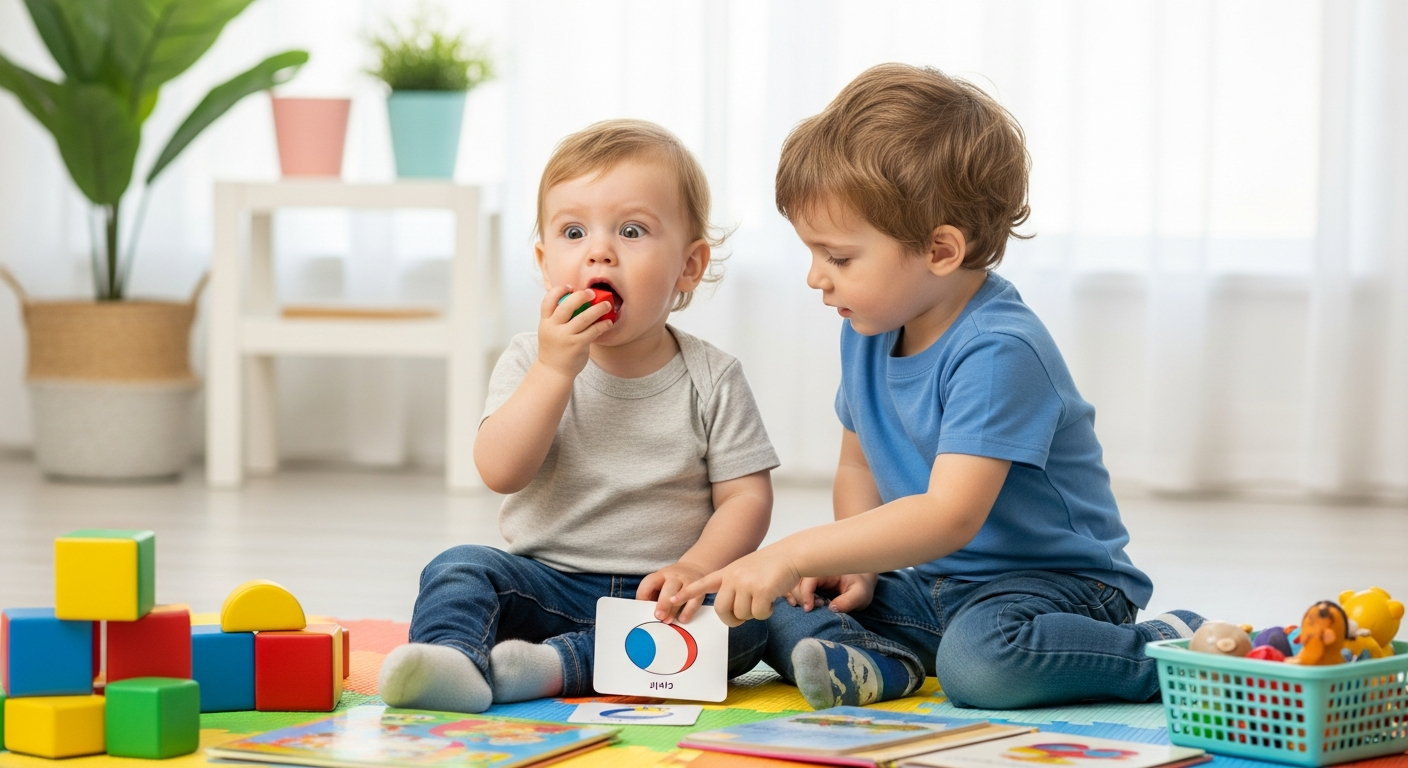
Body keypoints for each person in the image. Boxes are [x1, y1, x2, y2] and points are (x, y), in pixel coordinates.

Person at [673, 64, 1204, 711]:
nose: (817, 278)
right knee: (783, 605)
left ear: (941, 250)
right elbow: (857, 459)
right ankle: (881, 665)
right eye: (812, 253)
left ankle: (1170, 650)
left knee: (981, 666)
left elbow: (949, 515)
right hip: (941, 583)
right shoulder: (868, 325)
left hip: (1059, 586)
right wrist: (857, 563)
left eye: (838, 257)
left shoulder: (999, 348)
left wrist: (790, 550)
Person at [380, 119, 779, 713]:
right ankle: (454, 662)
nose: (600, 250)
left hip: (665, 598)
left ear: (689, 266)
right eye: (573, 231)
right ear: (545, 263)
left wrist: (696, 568)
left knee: (748, 626)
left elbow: (747, 498)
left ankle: (547, 667)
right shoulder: (528, 359)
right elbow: (500, 471)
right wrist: (554, 372)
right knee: (459, 568)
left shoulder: (713, 376)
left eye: (632, 230)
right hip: (544, 582)